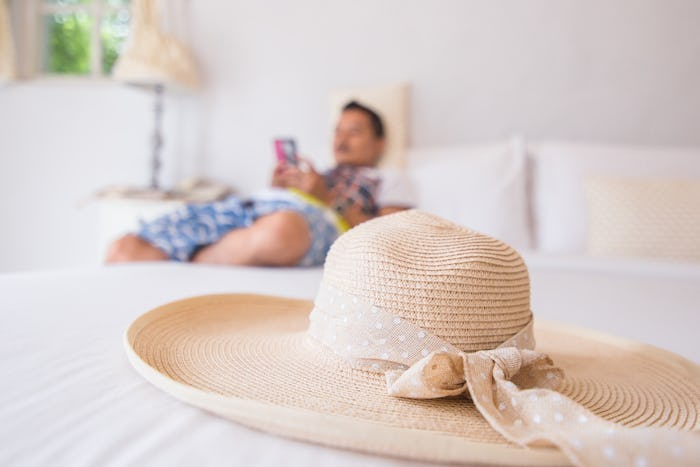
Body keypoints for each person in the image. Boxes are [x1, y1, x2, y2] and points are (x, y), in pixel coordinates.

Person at [106, 101, 414, 267]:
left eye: (354, 131)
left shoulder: (389, 178)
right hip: (257, 207)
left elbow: (387, 238)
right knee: (123, 248)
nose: (341, 139)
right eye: (337, 130)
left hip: (319, 224)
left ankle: (188, 257)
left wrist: (327, 196)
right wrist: (278, 186)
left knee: (282, 231)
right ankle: (197, 254)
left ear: (379, 143)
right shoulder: (319, 170)